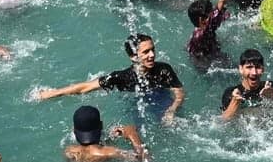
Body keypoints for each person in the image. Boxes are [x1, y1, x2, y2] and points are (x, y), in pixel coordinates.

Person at [37, 34, 185, 123]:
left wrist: (172, 109)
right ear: (133, 56)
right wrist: (51, 93)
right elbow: (85, 87)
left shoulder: (164, 69)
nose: (152, 55)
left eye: (153, 49)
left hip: (161, 99)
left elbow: (179, 94)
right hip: (136, 105)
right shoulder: (121, 77)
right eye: (146, 52)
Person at [221, 48, 273, 120]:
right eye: (249, 67)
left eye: (258, 67)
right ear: (241, 69)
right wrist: (235, 101)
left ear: (263, 69)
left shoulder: (271, 86)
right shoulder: (232, 93)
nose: (254, 72)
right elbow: (223, 121)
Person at [63, 106, 147, 162]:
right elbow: (142, 159)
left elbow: (90, 151)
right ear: (101, 125)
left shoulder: (70, 152)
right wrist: (133, 135)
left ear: (74, 130)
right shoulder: (109, 152)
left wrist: (110, 139)